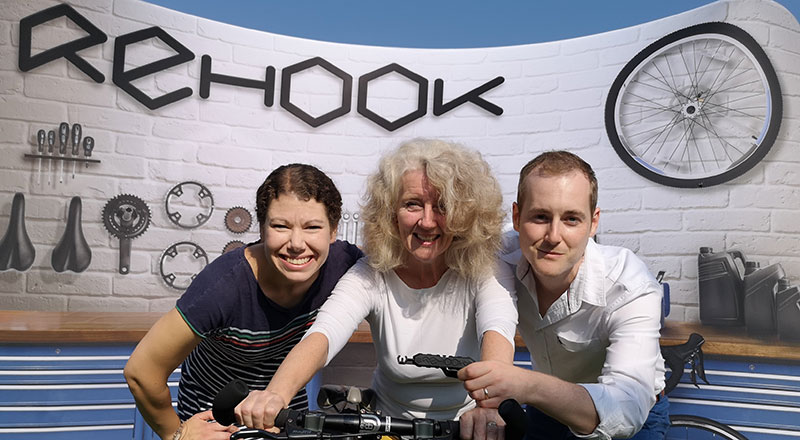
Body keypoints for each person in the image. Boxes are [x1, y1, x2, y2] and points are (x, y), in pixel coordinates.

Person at [235, 139, 518, 436]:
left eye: (443, 206)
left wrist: (488, 408)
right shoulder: (373, 273)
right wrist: (275, 396)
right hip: (387, 428)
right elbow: (323, 334)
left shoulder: (487, 270)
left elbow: (497, 330)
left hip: (467, 428)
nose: (427, 221)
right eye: (412, 204)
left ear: (465, 213)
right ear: (390, 212)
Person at [124, 164, 363, 440]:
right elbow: (141, 371)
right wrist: (177, 434)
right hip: (216, 414)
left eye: (312, 227)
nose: (297, 243)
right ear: (262, 228)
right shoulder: (224, 287)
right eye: (280, 226)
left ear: (333, 231)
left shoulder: (343, 263)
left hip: (283, 405)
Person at [459, 151, 667, 440]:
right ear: (517, 217)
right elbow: (498, 315)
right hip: (545, 407)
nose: (554, 236)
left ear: (593, 223)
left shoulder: (629, 284)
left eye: (571, 219)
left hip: (632, 417)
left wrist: (527, 385)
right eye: (541, 217)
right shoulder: (502, 253)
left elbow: (626, 408)